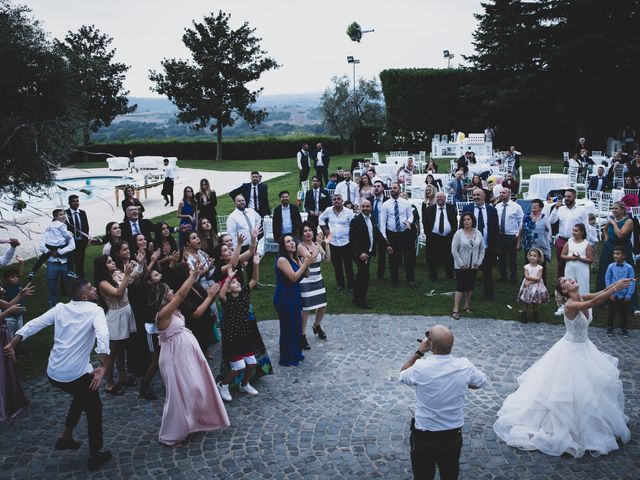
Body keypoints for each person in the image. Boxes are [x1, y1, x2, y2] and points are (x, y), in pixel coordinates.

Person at [494, 276, 632, 458]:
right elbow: (597, 301)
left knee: (587, 389)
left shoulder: (581, 296)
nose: (571, 279)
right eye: (566, 280)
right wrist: (615, 290)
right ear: (565, 290)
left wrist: (616, 284)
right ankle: (564, 426)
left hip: (585, 349)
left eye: (570, 278)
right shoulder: (570, 305)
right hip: (570, 352)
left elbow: (598, 294)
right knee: (568, 389)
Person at [4, 279, 113, 470]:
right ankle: (95, 454)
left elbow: (35, 324)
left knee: (81, 395)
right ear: (85, 296)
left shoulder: (60, 308)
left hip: (53, 373)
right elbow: (103, 338)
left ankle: (66, 436)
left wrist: (13, 343)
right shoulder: (95, 311)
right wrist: (103, 367)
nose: (95, 288)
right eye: (90, 287)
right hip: (74, 374)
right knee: (94, 409)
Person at [148, 266, 230, 447]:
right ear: (162, 297)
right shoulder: (162, 315)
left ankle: (195, 421)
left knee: (196, 387)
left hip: (186, 354)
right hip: (174, 357)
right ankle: (172, 434)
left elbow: (179, 297)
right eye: (168, 290)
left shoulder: (173, 310)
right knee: (180, 393)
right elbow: (180, 296)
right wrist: (193, 277)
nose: (172, 291)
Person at [400, 324, 487, 480]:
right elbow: (481, 382)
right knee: (450, 474)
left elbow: (402, 374)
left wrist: (419, 352)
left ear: (431, 345)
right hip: (452, 436)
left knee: (422, 476)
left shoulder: (421, 367)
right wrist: (462, 381)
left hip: (424, 436)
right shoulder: (465, 366)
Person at [217, 254, 265, 401]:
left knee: (251, 364)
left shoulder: (243, 294)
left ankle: (244, 384)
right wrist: (229, 278)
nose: (237, 283)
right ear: (229, 288)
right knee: (238, 366)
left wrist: (255, 264)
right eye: (233, 283)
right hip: (232, 337)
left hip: (245, 335)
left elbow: (254, 280)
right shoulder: (227, 299)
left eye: (237, 281)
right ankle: (223, 385)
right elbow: (221, 295)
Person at [94, 254, 139, 396]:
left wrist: (141, 263)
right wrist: (126, 275)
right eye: (109, 262)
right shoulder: (103, 283)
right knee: (112, 352)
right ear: (103, 267)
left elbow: (133, 279)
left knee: (122, 348)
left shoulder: (118, 273)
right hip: (114, 316)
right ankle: (109, 383)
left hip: (125, 311)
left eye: (112, 260)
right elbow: (118, 293)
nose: (113, 262)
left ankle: (122, 376)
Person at [273, 235, 317, 367]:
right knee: (288, 326)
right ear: (283, 245)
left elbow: (307, 274)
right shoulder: (282, 260)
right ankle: (286, 357)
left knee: (296, 325)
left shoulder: (295, 258)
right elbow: (293, 277)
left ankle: (295, 352)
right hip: (284, 297)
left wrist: (305, 262)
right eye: (288, 242)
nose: (292, 243)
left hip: (294, 295)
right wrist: (305, 264)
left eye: (293, 241)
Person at [349, 199, 391, 309]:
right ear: (360, 208)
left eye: (367, 206)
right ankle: (361, 301)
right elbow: (353, 239)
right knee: (364, 276)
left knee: (361, 275)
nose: (365, 208)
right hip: (361, 254)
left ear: (371, 207)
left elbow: (377, 233)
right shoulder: (356, 221)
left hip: (368, 252)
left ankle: (356, 297)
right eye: (363, 206)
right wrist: (360, 253)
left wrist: (387, 245)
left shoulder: (370, 218)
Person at [298, 222, 331, 347]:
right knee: (306, 309)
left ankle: (316, 325)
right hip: (306, 280)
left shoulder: (316, 245)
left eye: (310, 230)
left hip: (318, 278)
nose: (308, 233)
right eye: (305, 231)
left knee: (322, 306)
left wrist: (326, 245)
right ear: (301, 234)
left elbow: (327, 259)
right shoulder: (300, 246)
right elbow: (311, 258)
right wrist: (319, 244)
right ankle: (302, 334)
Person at [462, 189, 499, 300]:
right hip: (471, 246)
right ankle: (467, 293)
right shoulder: (467, 208)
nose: (475, 197)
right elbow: (462, 226)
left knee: (487, 272)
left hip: (486, 246)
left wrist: (496, 246)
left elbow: (496, 229)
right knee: (469, 272)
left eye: (478, 195)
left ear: (484, 196)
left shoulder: (492, 210)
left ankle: (489, 293)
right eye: (474, 195)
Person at [380, 183, 416, 288]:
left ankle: (410, 279)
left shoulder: (406, 203)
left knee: (408, 257)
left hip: (405, 233)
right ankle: (394, 279)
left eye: (394, 188)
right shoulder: (385, 204)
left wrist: (409, 222)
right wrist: (384, 236)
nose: (392, 189)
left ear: (399, 190)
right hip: (392, 233)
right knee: (393, 257)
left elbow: (410, 215)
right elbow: (383, 221)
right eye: (391, 188)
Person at [451, 212, 485, 319]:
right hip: (461, 266)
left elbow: (482, 249)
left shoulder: (478, 233)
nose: (466, 221)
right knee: (460, 286)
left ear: (472, 221)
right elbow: (454, 251)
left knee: (470, 286)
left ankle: (466, 306)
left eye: (468, 219)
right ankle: (455, 309)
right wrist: (461, 264)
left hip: (473, 266)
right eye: (464, 219)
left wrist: (478, 262)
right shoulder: (458, 234)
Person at [549, 188, 588, 279]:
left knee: (573, 265)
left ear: (575, 197)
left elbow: (586, 227)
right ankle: (560, 289)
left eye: (569, 197)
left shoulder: (581, 211)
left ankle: (573, 287)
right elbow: (551, 221)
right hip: (561, 240)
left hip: (575, 242)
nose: (566, 198)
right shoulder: (561, 209)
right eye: (565, 196)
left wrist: (586, 243)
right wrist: (555, 208)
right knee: (561, 265)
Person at [27, 209, 77, 282]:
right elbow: (67, 235)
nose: (63, 216)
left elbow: (46, 237)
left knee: (43, 257)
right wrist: (70, 235)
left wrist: (49, 251)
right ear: (55, 217)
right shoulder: (62, 225)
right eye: (61, 215)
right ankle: (71, 271)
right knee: (71, 254)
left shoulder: (50, 226)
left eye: (64, 214)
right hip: (60, 247)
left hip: (50, 246)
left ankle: (33, 271)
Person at [319, 194, 355, 293]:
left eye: (338, 199)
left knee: (348, 265)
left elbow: (353, 226)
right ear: (332, 201)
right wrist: (326, 230)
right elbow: (321, 219)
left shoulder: (348, 212)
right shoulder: (328, 210)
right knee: (337, 265)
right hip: (333, 243)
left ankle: (351, 285)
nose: (336, 201)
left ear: (342, 201)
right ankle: (340, 284)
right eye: (334, 199)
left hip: (346, 243)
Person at [596, 201, 634, 293]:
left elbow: (620, 234)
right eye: (612, 208)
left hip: (622, 249)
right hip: (609, 248)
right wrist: (606, 238)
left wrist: (613, 224)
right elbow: (604, 229)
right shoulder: (612, 220)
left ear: (623, 210)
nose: (613, 210)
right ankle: (606, 296)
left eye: (616, 208)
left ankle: (622, 295)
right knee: (607, 271)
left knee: (622, 273)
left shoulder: (628, 221)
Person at [423, 191, 457, 280]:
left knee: (449, 256)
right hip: (433, 236)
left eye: (442, 197)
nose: (440, 199)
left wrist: (453, 233)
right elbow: (425, 223)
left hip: (448, 236)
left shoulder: (451, 208)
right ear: (435, 199)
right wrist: (428, 234)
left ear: (445, 199)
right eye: (438, 197)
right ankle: (433, 275)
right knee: (432, 256)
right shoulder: (430, 209)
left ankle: (449, 275)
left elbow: (454, 222)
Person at [519, 198, 551, 285]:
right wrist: (519, 243)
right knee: (528, 266)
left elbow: (548, 233)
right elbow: (521, 230)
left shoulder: (545, 218)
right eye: (532, 205)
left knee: (540, 267)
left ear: (540, 208)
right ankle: (526, 286)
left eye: (536, 205)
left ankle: (541, 287)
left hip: (540, 247)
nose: (533, 206)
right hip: (528, 246)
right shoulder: (526, 217)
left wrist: (548, 246)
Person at [495, 187, 524, 284]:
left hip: (511, 236)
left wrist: (518, 234)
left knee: (512, 258)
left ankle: (513, 276)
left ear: (509, 194)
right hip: (500, 236)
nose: (501, 194)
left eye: (504, 192)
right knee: (501, 257)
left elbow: (521, 220)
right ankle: (503, 275)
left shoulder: (516, 207)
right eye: (500, 193)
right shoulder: (497, 206)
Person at [605, 246, 634, 337]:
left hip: (624, 295)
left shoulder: (629, 267)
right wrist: (609, 293)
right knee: (612, 312)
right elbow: (607, 279)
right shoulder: (611, 266)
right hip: (613, 294)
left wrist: (629, 295)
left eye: (618, 254)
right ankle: (610, 327)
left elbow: (632, 281)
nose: (615, 256)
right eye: (614, 253)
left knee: (623, 312)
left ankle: (624, 329)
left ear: (623, 255)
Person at [65, 194, 95, 278]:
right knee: (71, 261)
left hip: (81, 241)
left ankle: (80, 278)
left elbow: (86, 226)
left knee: (80, 261)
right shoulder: (65, 214)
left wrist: (86, 239)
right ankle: (70, 278)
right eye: (73, 201)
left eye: (77, 201)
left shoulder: (82, 213)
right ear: (69, 203)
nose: (76, 203)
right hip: (71, 242)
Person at [517, 248, 549, 323]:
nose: (532, 257)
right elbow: (526, 276)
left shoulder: (540, 268)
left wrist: (530, 282)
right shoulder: (526, 266)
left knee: (536, 300)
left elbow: (538, 278)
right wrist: (532, 280)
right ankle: (524, 314)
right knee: (525, 300)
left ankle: (535, 314)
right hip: (527, 286)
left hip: (536, 286)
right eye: (530, 255)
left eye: (534, 256)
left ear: (539, 258)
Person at [561, 223, 593, 296]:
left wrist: (579, 258)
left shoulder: (586, 244)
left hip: (582, 269)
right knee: (569, 285)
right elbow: (562, 255)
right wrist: (571, 258)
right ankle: (570, 301)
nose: (573, 232)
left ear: (582, 232)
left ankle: (583, 303)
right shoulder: (569, 242)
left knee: (583, 286)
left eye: (576, 231)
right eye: (573, 230)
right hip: (570, 268)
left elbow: (590, 260)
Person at [371, 181, 389, 280]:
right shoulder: (369, 200)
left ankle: (380, 275)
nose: (376, 188)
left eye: (378, 186)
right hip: (371, 230)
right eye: (375, 186)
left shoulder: (387, 200)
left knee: (382, 254)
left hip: (383, 230)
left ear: (382, 188)